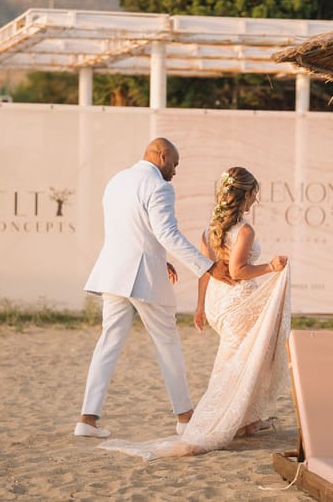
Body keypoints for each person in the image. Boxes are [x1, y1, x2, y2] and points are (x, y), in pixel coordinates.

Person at [99, 166, 290, 460]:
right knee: (245, 361)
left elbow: (205, 271)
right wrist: (270, 267)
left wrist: (201, 306)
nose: (256, 199)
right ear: (245, 195)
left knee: (239, 360)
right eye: (254, 193)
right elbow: (238, 271)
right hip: (238, 302)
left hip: (217, 303)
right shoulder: (245, 231)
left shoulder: (210, 230)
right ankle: (235, 421)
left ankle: (247, 420)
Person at [74, 137, 233, 439]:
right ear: (162, 156)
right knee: (167, 343)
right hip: (143, 278)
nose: (175, 171)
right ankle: (185, 417)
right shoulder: (160, 187)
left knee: (108, 343)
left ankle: (87, 419)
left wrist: (161, 259)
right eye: (174, 164)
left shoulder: (116, 181)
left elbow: (131, 231)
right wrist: (208, 266)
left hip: (114, 274)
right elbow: (167, 233)